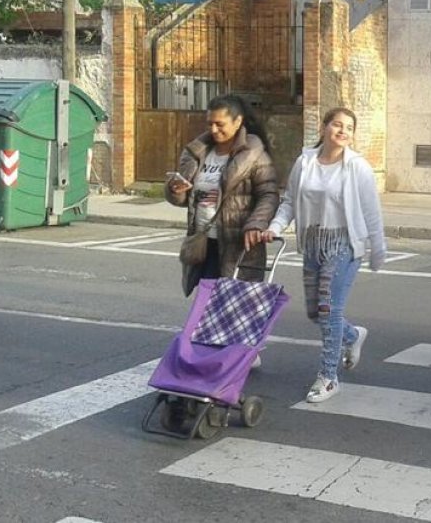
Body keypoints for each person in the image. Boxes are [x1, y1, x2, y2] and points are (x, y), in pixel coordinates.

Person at [259, 107, 387, 403]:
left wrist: (377, 249)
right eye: (337, 125)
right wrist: (275, 226)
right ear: (325, 127)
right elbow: (290, 201)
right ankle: (353, 335)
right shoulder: (305, 162)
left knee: (329, 310)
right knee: (316, 313)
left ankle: (328, 377)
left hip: (343, 244)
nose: (343, 131)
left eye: (349, 128)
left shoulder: (357, 167)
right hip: (313, 242)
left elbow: (371, 212)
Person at [166, 94, 279, 296]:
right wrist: (176, 191)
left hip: (236, 244)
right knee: (208, 303)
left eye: (220, 124)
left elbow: (269, 194)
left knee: (225, 304)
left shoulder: (254, 155)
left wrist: (256, 223)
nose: (213, 129)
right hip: (203, 242)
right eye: (210, 123)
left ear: (237, 122)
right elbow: (187, 198)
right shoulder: (198, 152)